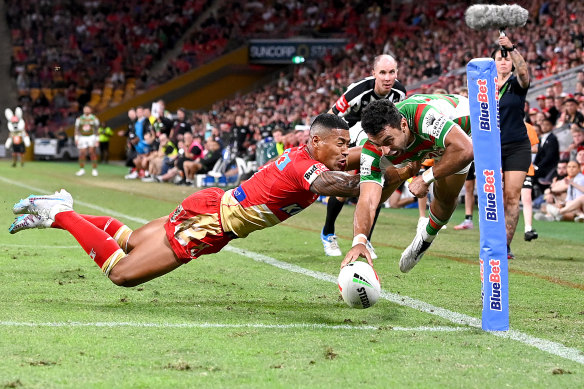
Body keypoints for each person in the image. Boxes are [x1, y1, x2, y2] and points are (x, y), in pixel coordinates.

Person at [8, 114, 401, 287]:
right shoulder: (306, 167)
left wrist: (395, 156)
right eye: (339, 144)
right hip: (213, 221)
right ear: (316, 141)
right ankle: (61, 213)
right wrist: (389, 174)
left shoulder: (304, 155)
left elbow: (352, 163)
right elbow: (340, 183)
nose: (344, 150)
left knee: (129, 241)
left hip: (213, 204)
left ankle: (57, 210)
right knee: (122, 274)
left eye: (347, 145)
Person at [342, 95, 473, 272]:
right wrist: (359, 240)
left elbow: (466, 149)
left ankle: (425, 239)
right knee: (374, 179)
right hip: (414, 145)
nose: (385, 150)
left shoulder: (422, 116)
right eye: (379, 144)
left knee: (446, 197)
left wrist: (426, 177)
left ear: (403, 125)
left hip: (458, 137)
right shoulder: (377, 146)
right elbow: (367, 200)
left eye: (388, 141)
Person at [320, 54, 407, 258]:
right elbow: (330, 116)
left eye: (392, 72)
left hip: (377, 140)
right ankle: (328, 232)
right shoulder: (358, 91)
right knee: (345, 188)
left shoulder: (400, 93)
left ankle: (365, 240)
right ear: (373, 73)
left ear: (397, 73)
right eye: (383, 72)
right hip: (350, 135)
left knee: (377, 185)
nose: (387, 77)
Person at [491, 35, 532, 259]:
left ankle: (504, 246)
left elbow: (524, 73)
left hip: (517, 146)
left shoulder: (517, 85)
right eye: (500, 58)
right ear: (493, 63)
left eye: (507, 59)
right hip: (491, 149)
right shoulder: (484, 88)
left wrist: (511, 48)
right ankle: (491, 240)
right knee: (493, 197)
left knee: (511, 196)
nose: (504, 62)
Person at [74, 105, 100, 176]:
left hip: (91, 136)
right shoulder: (79, 119)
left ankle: (94, 169)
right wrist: (76, 138)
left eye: (88, 109)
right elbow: (76, 129)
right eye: (85, 109)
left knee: (92, 152)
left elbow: (97, 129)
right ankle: (82, 169)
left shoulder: (94, 118)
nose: (86, 110)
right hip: (82, 137)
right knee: (82, 153)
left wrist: (97, 139)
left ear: (90, 110)